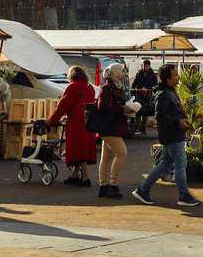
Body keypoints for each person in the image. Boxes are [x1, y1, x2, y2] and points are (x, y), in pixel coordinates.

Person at [132, 63, 200, 207]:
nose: (178, 77)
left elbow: (169, 113)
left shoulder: (168, 91)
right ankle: (183, 195)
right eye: (175, 75)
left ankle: (143, 190)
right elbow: (160, 116)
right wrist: (178, 122)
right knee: (181, 164)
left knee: (165, 164)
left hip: (172, 134)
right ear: (168, 79)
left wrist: (183, 120)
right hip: (172, 135)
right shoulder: (163, 94)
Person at [48, 65, 97, 187]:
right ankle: (74, 175)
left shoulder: (73, 87)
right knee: (82, 150)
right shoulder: (90, 87)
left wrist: (51, 121)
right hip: (89, 123)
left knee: (78, 151)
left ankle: (85, 178)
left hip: (77, 124)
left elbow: (63, 106)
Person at [95, 62, 129, 198]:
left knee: (106, 158)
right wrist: (123, 109)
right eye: (121, 71)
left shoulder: (112, 87)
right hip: (110, 127)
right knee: (122, 154)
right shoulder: (108, 88)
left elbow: (105, 106)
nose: (124, 73)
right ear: (115, 73)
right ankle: (113, 185)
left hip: (110, 127)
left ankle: (103, 186)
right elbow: (102, 106)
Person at [130, 59, 158, 135]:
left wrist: (148, 89)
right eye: (144, 66)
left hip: (148, 96)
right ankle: (137, 128)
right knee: (138, 111)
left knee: (146, 112)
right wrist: (135, 90)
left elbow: (155, 85)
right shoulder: (139, 73)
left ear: (149, 66)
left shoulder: (152, 74)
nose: (145, 68)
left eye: (147, 66)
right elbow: (134, 83)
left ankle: (143, 128)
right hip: (139, 94)